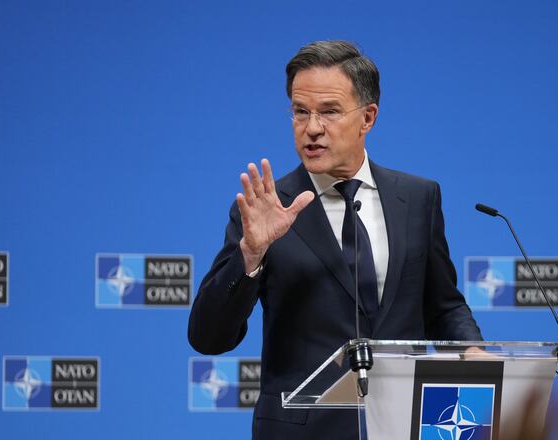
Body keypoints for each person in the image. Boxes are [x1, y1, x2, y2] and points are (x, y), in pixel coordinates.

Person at [188, 40, 483, 439]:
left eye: (329, 111)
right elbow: (208, 337)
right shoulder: (266, 209)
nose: (312, 128)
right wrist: (251, 255)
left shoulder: (418, 198)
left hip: (403, 425)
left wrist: (473, 352)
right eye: (300, 111)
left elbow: (443, 306)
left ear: (368, 117)